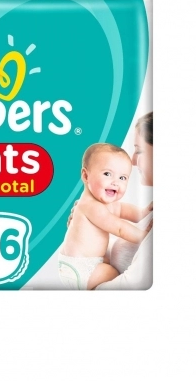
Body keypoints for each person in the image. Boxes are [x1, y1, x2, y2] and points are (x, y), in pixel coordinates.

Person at [66, 112, 154, 290]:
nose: (133, 161)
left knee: (110, 273)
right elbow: (120, 227)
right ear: (85, 175)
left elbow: (122, 214)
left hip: (85, 267)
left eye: (122, 178)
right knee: (110, 272)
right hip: (83, 266)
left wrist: (143, 219)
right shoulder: (92, 206)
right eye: (107, 174)